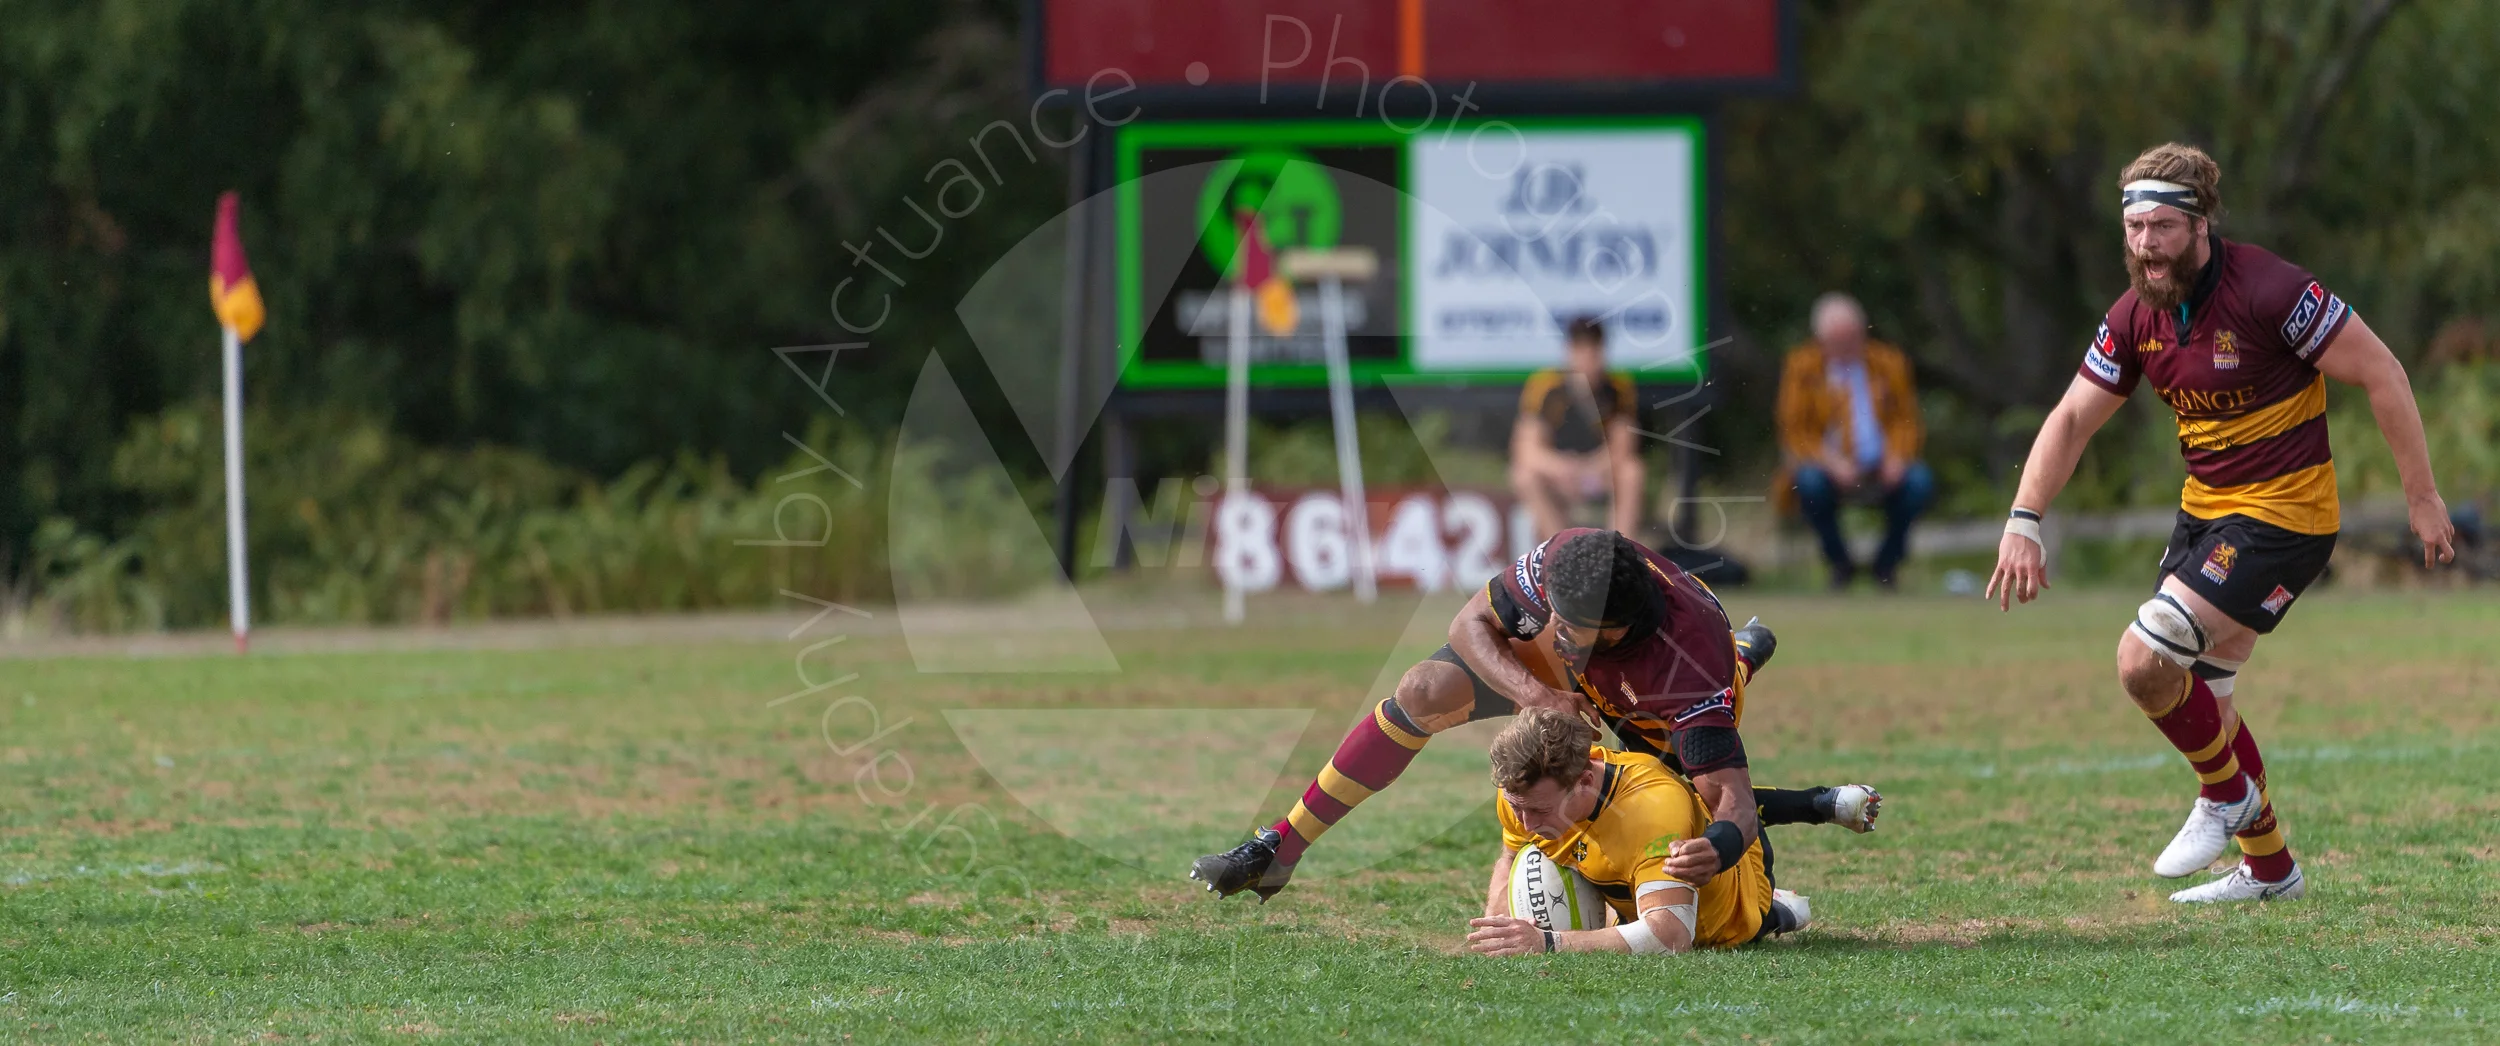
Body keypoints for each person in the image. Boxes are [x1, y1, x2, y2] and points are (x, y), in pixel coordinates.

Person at [1988, 143, 2456, 904]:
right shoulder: (2135, 314)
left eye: (2164, 228)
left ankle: (2224, 799)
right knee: (2208, 694)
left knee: (2143, 660)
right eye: (2136, 229)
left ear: (2202, 224)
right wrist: (2024, 517)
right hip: (2206, 516)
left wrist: (2423, 496)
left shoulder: (2273, 291)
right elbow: (2073, 416)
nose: (2147, 245)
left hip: (2286, 518)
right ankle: (2271, 871)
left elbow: (2383, 372)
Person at [1189, 527, 1881, 902]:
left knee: (1673, 814)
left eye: (1573, 626)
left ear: (1614, 629)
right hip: (1617, 667)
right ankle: (1282, 845)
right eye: (1553, 612)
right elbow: (1470, 623)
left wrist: (1723, 848)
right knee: (1425, 687)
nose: (1552, 625)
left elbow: (1732, 802)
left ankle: (1748, 666)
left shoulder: (1686, 674)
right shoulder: (1566, 562)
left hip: (1672, 685)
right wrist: (1539, 693)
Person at [1464, 709, 1815, 955]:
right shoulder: (1523, 791)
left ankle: (1789, 887)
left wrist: (1547, 943)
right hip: (1628, 890)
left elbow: (1671, 935)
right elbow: (1511, 855)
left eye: (1539, 811)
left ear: (1585, 780)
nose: (1525, 824)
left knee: (1762, 903)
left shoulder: (1651, 811)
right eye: (1516, 808)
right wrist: (1501, 926)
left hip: (1731, 911)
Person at [1776, 294, 1935, 589]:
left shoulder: (1888, 362)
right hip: (1829, 467)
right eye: (1837, 342)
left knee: (1919, 482)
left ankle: (1886, 563)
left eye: (1853, 339)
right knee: (1808, 483)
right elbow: (1795, 431)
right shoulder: (1803, 367)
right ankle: (1840, 563)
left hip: (1881, 464)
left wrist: (1896, 457)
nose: (1847, 348)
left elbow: (1906, 419)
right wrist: (1832, 463)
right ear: (1820, 341)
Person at [1511, 317, 1646, 541]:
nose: (1587, 359)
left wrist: (1589, 469)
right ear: (1569, 351)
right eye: (1581, 349)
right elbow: (1526, 449)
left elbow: (1623, 446)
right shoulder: (1546, 385)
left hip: (1597, 473)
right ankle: (1561, 549)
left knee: (1632, 471)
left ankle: (1621, 550)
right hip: (1560, 474)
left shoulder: (1618, 387)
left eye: (1593, 350)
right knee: (1523, 475)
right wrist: (1562, 468)